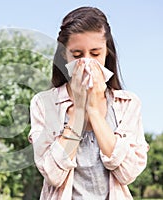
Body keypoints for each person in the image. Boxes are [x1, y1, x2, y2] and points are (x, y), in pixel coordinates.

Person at [28, 6, 149, 200]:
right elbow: (53, 175)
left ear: (106, 54)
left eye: (95, 54)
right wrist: (79, 109)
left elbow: (128, 173)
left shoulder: (127, 104)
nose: (86, 63)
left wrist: (93, 110)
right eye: (77, 55)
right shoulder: (43, 104)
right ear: (63, 56)